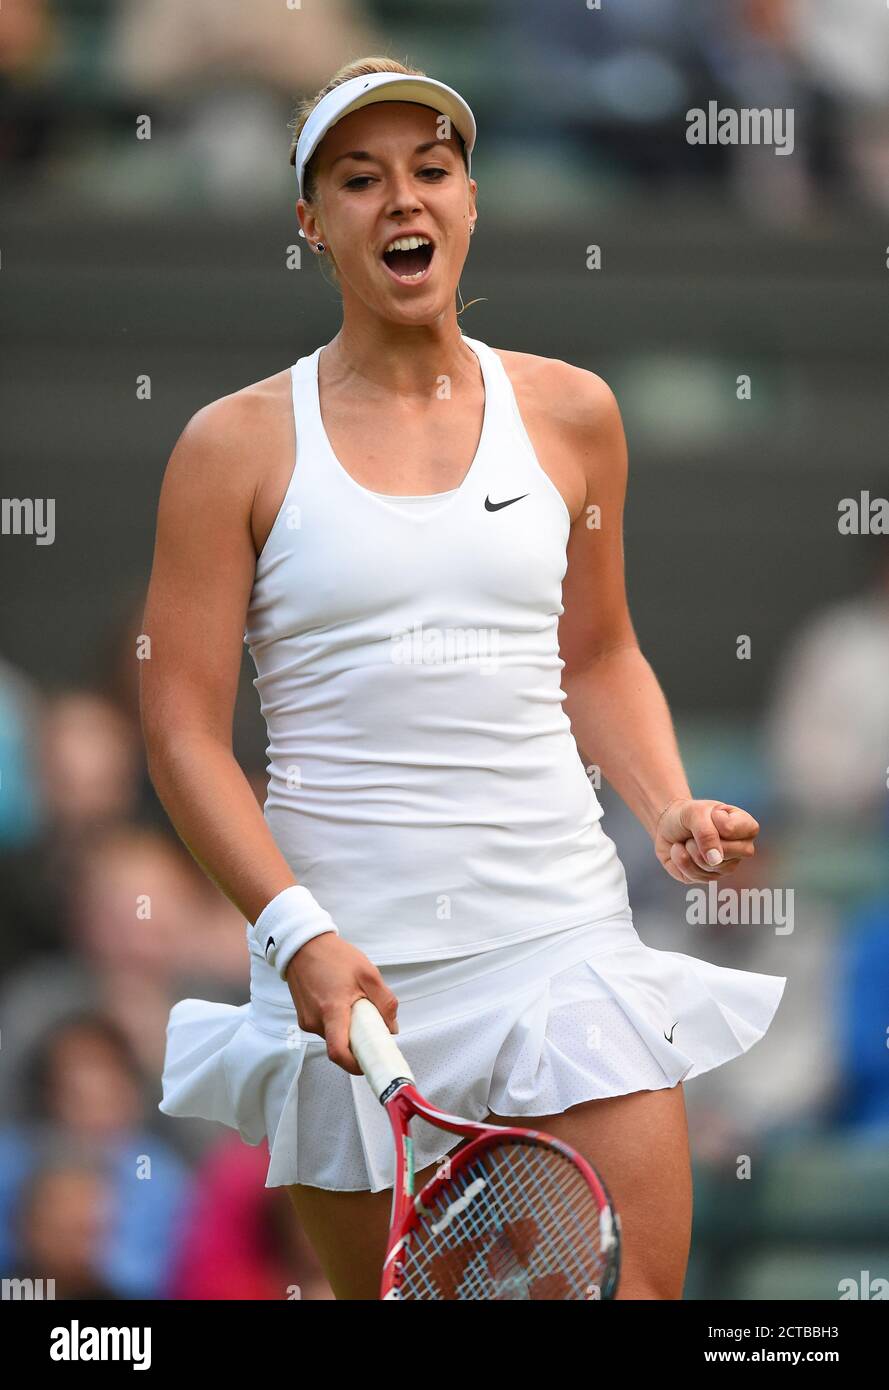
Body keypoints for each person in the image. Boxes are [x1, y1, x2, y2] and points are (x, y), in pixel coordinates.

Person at [141, 55, 786, 1301]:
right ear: (311, 221)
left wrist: (663, 803)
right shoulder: (229, 447)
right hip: (341, 987)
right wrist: (298, 939)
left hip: (558, 943)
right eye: (360, 178)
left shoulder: (575, 413)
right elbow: (178, 733)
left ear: (471, 201)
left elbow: (597, 654)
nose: (403, 201)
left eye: (431, 171)